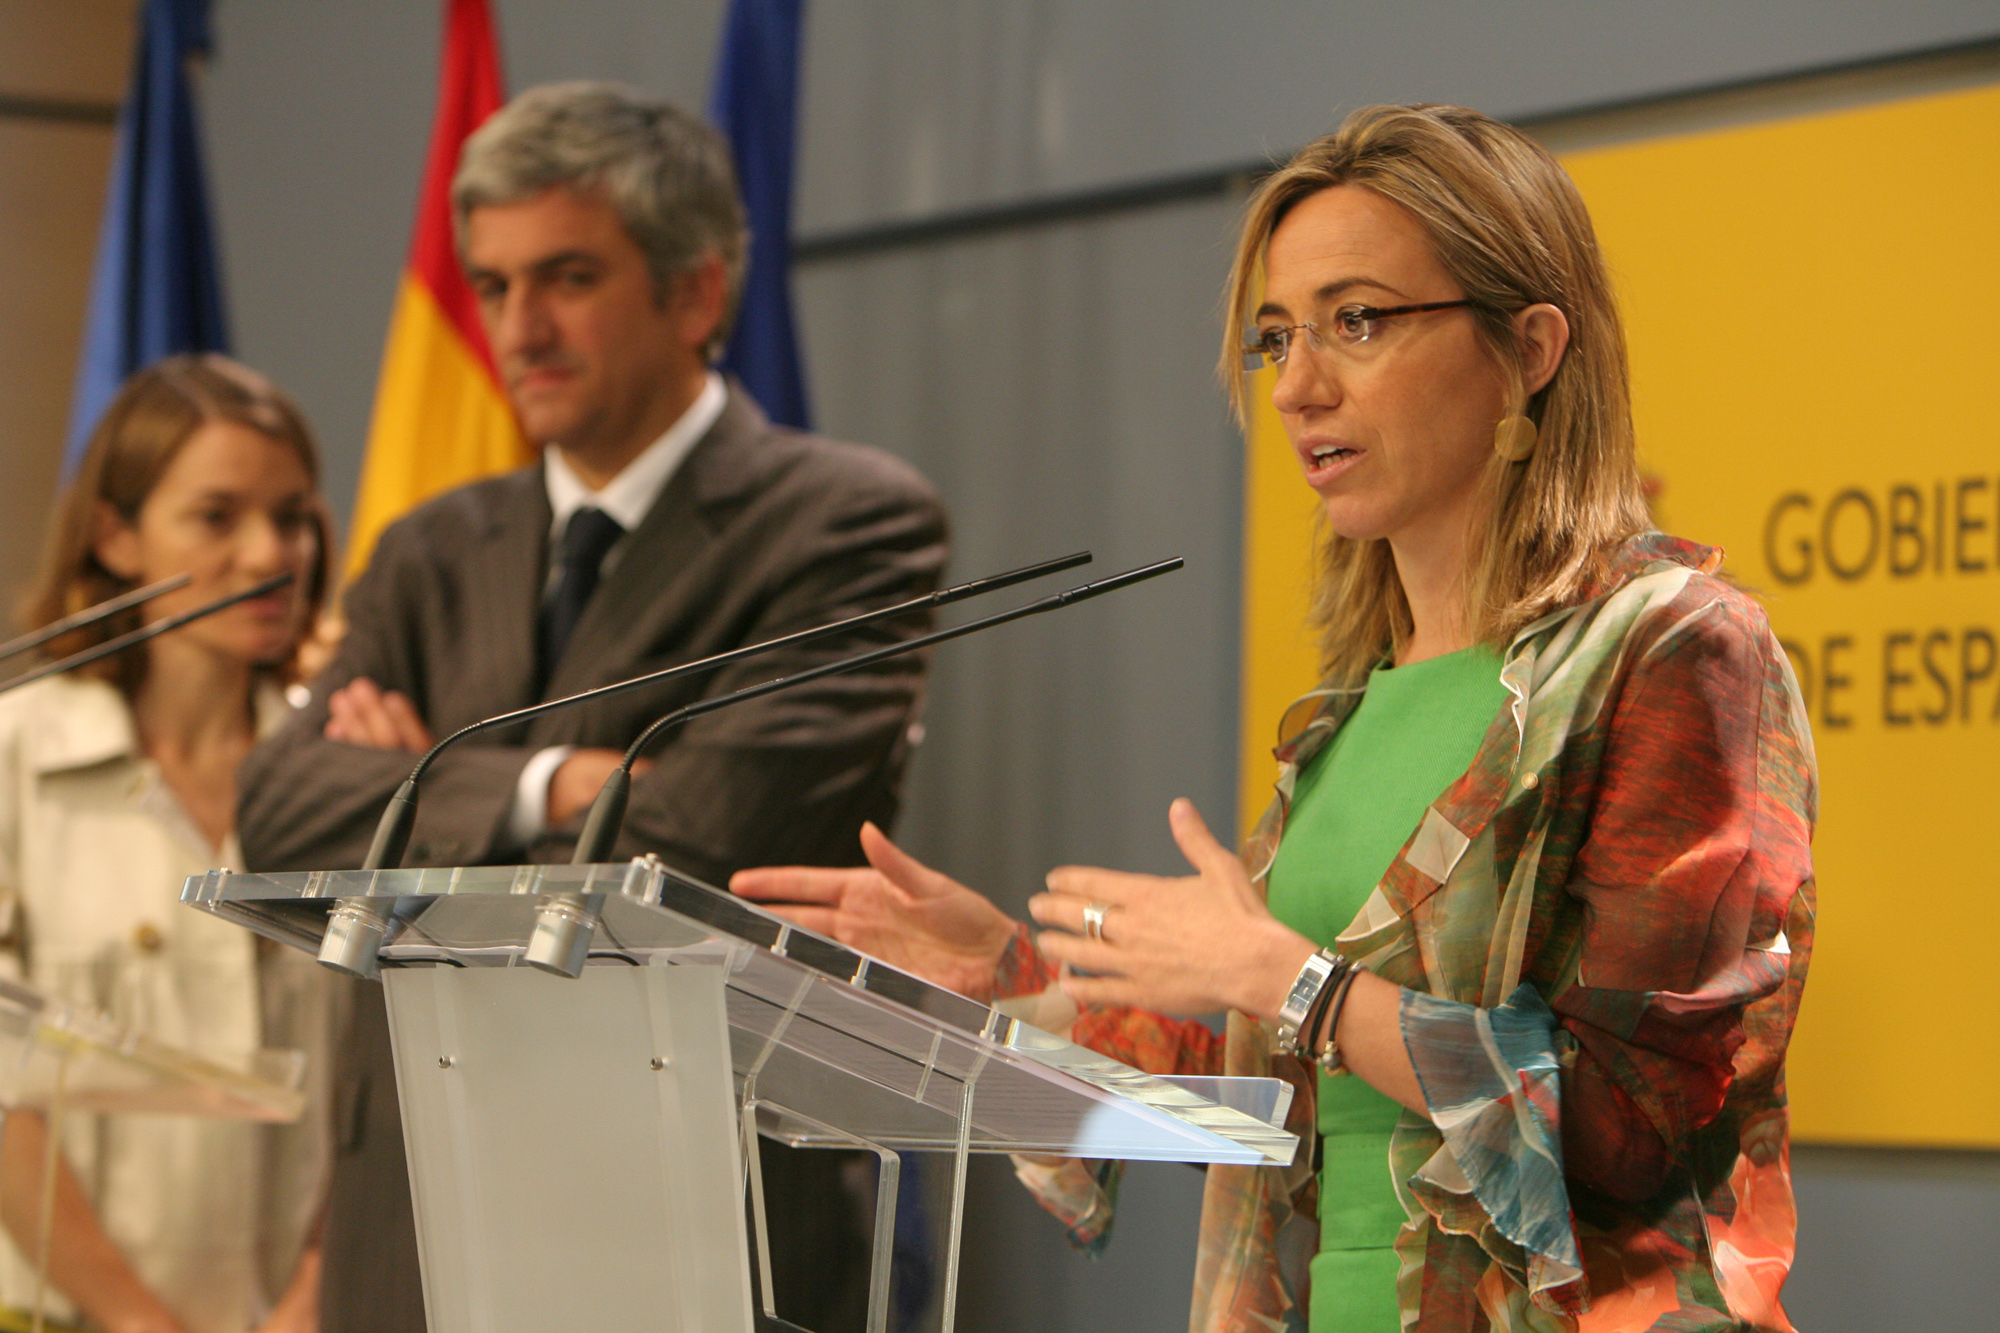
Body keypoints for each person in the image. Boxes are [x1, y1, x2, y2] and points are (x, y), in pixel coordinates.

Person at [733, 104, 1815, 1333]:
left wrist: (1288, 982)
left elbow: (1631, 1127)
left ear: (1528, 347)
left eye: (1356, 322)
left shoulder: (1670, 649)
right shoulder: (1352, 705)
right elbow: (1301, 1103)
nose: (1297, 387)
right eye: (1274, 337)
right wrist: (1009, 984)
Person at [237, 82, 947, 1333]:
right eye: (493, 284)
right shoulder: (428, 548)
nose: (520, 326)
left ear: (696, 293)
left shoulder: (847, 525)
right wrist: (553, 785)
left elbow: (702, 843)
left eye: (567, 277)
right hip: (403, 1230)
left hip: (681, 1216)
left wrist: (418, 791)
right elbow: (281, 811)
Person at [0, 355, 336, 1333]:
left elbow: (385, 1085)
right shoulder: (14, 756)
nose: (269, 552)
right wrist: (137, 1319)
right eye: (217, 516)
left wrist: (313, 1298)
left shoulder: (344, 775)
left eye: (292, 516)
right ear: (115, 535)